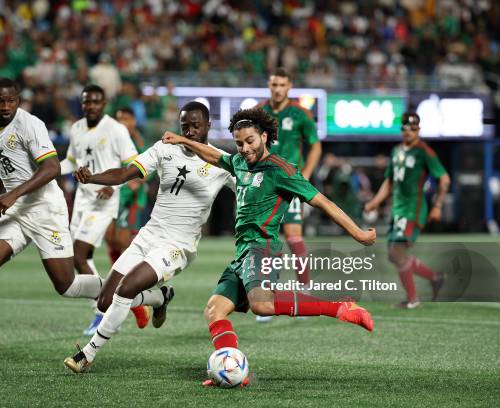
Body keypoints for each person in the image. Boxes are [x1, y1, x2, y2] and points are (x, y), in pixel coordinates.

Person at [161, 108, 376, 387]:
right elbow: (215, 156)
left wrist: (358, 233)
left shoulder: (281, 170)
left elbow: (323, 202)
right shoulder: (239, 162)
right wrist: (184, 141)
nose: (245, 148)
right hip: (242, 253)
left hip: (263, 248)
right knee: (214, 311)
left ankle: (338, 306)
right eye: (239, 143)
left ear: (263, 136)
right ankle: (228, 366)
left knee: (262, 305)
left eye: (250, 141)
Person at [63, 101, 236, 373]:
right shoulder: (164, 149)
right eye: (185, 126)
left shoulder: (221, 162)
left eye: (196, 126)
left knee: (128, 288)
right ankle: (159, 298)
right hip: (149, 235)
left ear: (208, 126)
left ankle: (88, 353)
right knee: (105, 302)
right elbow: (125, 172)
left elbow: (249, 189)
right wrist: (92, 177)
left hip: (178, 246)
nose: (189, 131)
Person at [0, 78, 104, 366]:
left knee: (66, 285)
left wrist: (12, 195)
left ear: (18, 100)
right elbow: (0, 163)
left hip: (45, 209)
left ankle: (121, 291)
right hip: (14, 210)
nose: (6, 106)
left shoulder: (30, 124)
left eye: (11, 101)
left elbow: (52, 167)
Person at [59, 85, 149, 336]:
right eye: (87, 102)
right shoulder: (76, 128)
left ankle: (103, 312)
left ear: (104, 104)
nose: (91, 106)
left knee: (79, 255)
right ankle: (124, 302)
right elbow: (72, 161)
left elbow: (133, 163)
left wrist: (114, 185)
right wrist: (50, 170)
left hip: (104, 201)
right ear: (82, 103)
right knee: (78, 258)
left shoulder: (116, 130)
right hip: (82, 200)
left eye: (97, 102)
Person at [365, 112, 450, 309]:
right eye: (405, 128)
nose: (409, 131)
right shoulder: (396, 151)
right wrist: (375, 202)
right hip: (398, 210)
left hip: (413, 209)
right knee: (393, 255)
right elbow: (389, 180)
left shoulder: (425, 152)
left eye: (413, 128)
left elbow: (444, 179)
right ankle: (435, 278)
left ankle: (413, 299)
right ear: (401, 129)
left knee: (396, 251)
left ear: (419, 129)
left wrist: (438, 206)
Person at [256, 68, 322, 322]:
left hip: (290, 182)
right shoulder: (259, 113)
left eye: (282, 84)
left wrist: (305, 173)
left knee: (294, 237)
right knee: (266, 239)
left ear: (289, 86)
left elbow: (315, 145)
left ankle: (305, 291)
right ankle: (268, 295)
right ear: (269, 85)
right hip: (265, 183)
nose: (277, 89)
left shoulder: (300, 114)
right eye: (274, 84)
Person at [104, 107, 149, 265]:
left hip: (131, 199)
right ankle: (117, 274)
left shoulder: (138, 142)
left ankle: (131, 274)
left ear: (133, 121)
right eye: (119, 119)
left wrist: (138, 181)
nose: (122, 123)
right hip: (113, 195)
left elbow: (150, 169)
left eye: (125, 119)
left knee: (124, 240)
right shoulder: (112, 140)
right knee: (109, 237)